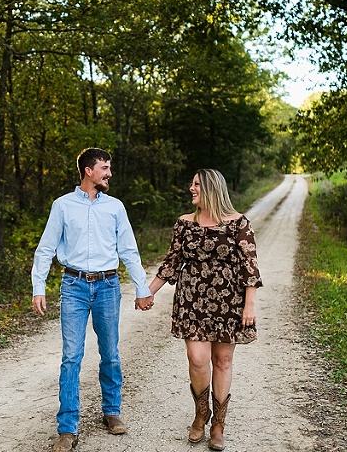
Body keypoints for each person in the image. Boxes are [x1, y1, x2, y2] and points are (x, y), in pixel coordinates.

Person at [31, 147, 153, 452]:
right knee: (71, 356)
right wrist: (38, 286)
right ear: (89, 171)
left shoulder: (115, 208)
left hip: (108, 286)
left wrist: (142, 288)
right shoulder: (62, 206)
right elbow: (45, 248)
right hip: (73, 286)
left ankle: (111, 412)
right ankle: (67, 428)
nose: (109, 173)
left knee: (110, 352)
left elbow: (129, 251)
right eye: (105, 168)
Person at [144, 168, 262, 451]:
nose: (191, 188)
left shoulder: (238, 223)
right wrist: (147, 292)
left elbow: (250, 266)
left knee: (222, 361)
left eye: (196, 184)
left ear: (210, 188)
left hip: (228, 302)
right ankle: (201, 414)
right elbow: (172, 262)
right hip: (192, 301)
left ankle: (218, 424)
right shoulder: (184, 223)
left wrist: (249, 305)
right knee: (197, 358)